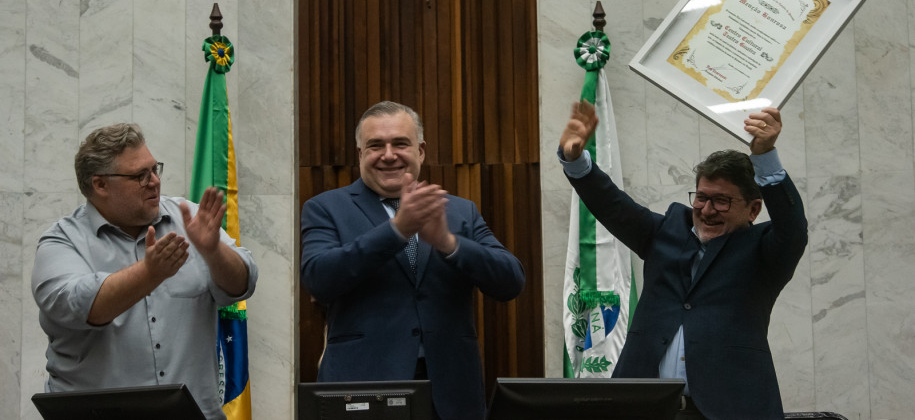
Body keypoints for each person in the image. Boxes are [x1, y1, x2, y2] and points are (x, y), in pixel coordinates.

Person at [559, 103, 807, 420]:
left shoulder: (764, 251)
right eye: (702, 197)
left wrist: (765, 155)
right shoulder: (667, 231)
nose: (706, 209)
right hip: (645, 407)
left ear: (753, 210)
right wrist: (576, 160)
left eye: (721, 201)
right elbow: (613, 205)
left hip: (729, 410)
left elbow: (794, 229)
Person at [300, 101, 525, 420]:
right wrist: (396, 231)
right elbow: (318, 278)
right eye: (375, 145)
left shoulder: (460, 211)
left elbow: (511, 280)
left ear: (420, 151)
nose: (388, 154)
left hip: (450, 395)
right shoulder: (325, 208)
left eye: (400, 143)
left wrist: (449, 243)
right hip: (363, 391)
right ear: (360, 155)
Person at [31, 123, 258, 420]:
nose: (154, 182)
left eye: (155, 169)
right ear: (100, 185)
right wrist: (150, 273)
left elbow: (244, 283)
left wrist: (215, 252)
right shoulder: (61, 241)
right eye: (140, 175)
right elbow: (78, 305)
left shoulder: (188, 218)